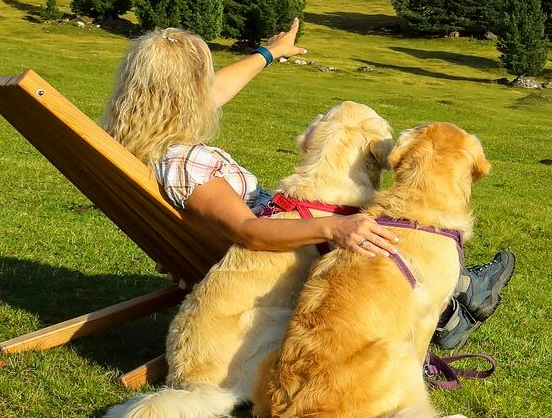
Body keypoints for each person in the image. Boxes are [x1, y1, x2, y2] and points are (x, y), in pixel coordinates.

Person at [101, 19, 514, 349]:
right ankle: (453, 307)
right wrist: (334, 227)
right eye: (202, 80)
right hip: (276, 250)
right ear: (185, 94)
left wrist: (269, 52)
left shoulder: (145, 139)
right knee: (376, 225)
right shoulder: (187, 163)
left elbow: (218, 89)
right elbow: (249, 232)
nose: (211, 87)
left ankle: (458, 296)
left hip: (283, 229)